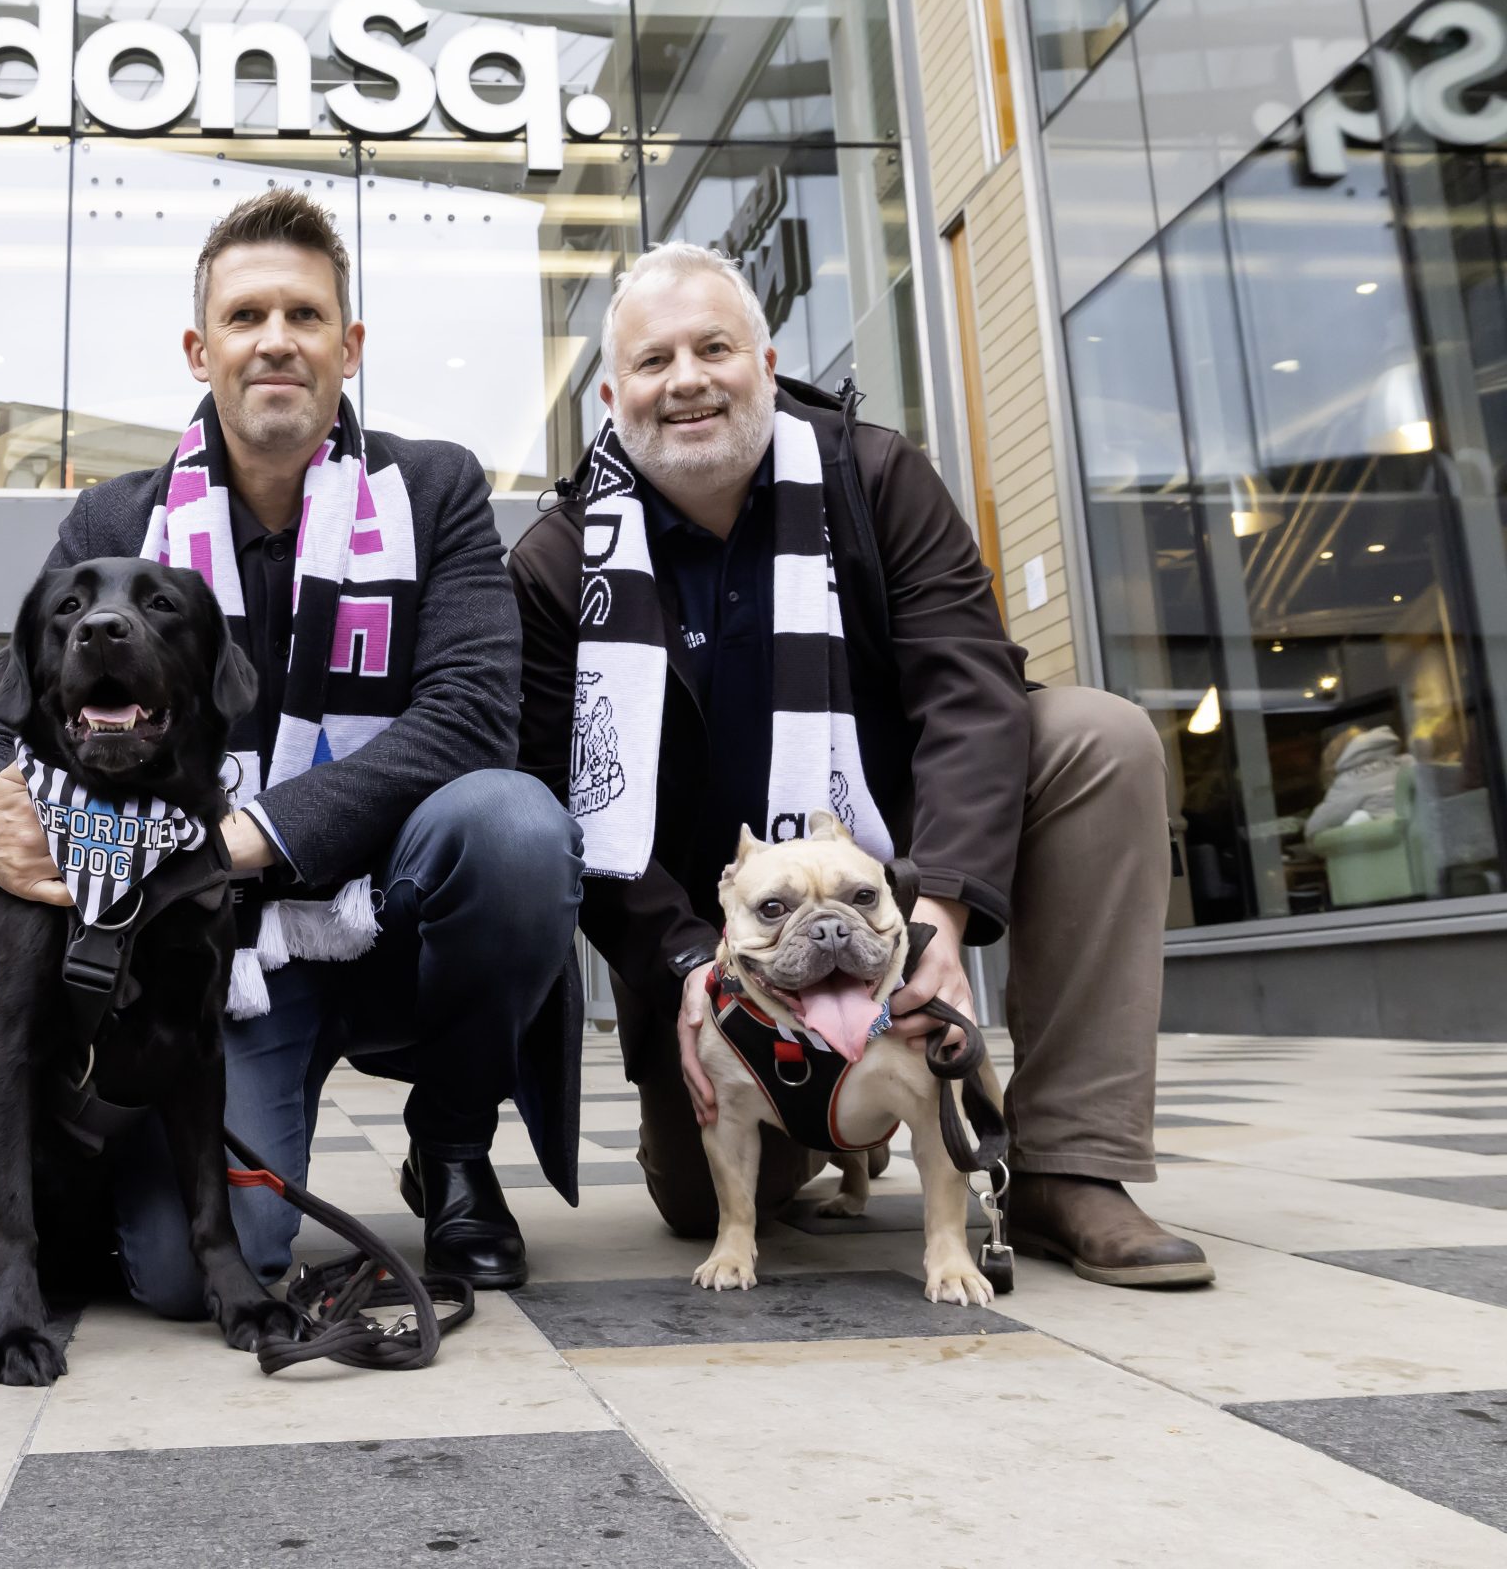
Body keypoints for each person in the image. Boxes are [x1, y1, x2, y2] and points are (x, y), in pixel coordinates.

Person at [508, 242, 1214, 1290]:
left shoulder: (873, 475)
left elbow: (971, 688)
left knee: (1096, 739)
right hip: (718, 938)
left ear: (765, 358)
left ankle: (1071, 1162)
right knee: (700, 1203)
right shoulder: (559, 565)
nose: (688, 379)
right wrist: (686, 964)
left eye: (714, 347)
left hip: (892, 865)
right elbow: (574, 812)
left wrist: (939, 917)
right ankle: (839, 1126)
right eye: (653, 363)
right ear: (611, 396)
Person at [0, 188, 584, 1304]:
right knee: (190, 1277)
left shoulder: (434, 490)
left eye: (304, 314)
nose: (275, 339)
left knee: (514, 826)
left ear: (349, 345)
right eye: (244, 317)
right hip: (214, 963)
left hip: (396, 918)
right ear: (201, 348)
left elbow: (474, 715)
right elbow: (5, 714)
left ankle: (456, 1150)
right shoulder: (113, 525)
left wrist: (245, 837)